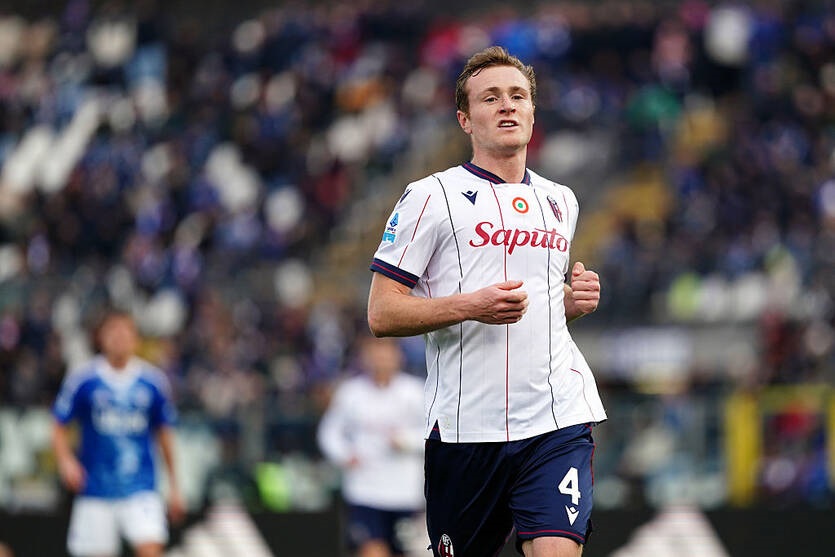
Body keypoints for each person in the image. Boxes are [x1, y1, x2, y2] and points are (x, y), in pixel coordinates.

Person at [366, 46, 607, 557]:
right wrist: (471, 306)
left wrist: (571, 302)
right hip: (465, 430)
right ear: (465, 119)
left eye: (518, 96)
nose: (507, 105)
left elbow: (539, 304)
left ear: (533, 112)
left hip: (555, 420)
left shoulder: (561, 201)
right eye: (491, 97)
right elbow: (382, 313)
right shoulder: (430, 197)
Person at [51, 310, 185, 557]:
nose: (119, 337)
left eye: (125, 331)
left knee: (150, 548)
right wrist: (66, 461)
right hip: (95, 488)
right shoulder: (84, 379)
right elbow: (59, 424)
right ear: (101, 337)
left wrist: (174, 486)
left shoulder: (153, 381)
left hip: (141, 486)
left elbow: (165, 434)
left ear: (136, 338)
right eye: (113, 331)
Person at [317, 336, 426, 557]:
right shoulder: (351, 393)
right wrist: (344, 455)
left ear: (398, 357)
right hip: (364, 491)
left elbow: (434, 433)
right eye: (375, 354)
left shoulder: (415, 392)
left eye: (386, 354)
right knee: (371, 550)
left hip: (404, 491)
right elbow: (329, 432)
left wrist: (405, 441)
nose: (380, 360)